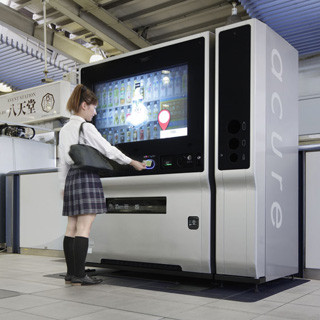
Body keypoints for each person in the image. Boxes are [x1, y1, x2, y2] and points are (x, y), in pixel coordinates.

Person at [58, 84, 146, 286]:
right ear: (83, 106)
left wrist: (62, 185)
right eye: (93, 107)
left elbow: (62, 162)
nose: (95, 112)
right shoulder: (86, 127)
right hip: (87, 176)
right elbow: (108, 150)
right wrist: (131, 161)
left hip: (72, 178)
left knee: (71, 227)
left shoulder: (64, 130)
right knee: (84, 228)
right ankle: (80, 275)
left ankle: (71, 274)